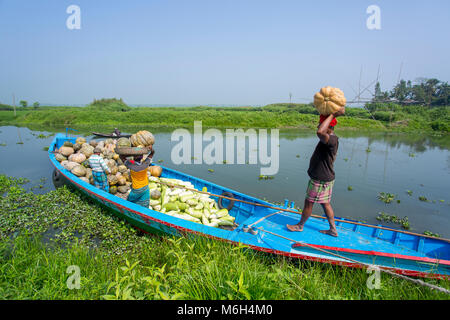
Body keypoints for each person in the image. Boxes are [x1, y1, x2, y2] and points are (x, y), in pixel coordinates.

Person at [286, 107, 345, 237]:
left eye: (321, 124)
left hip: (320, 179)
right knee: (325, 203)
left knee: (309, 203)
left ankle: (299, 226)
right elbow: (320, 131)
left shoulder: (330, 140)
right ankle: (333, 230)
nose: (318, 126)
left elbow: (319, 132)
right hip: (326, 178)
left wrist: (333, 114)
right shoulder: (330, 139)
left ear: (328, 127)